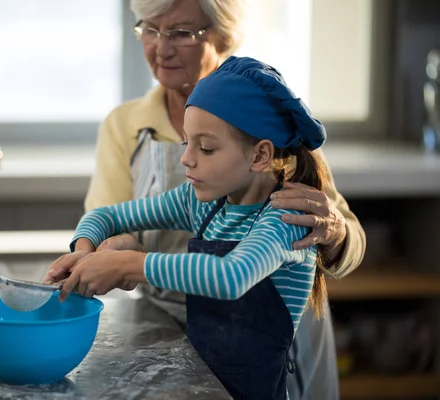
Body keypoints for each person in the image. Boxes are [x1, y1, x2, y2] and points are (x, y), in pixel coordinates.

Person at [71, 1, 365, 399]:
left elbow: (230, 277)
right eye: (150, 30)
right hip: (192, 341)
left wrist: (130, 263)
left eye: (180, 32)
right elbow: (107, 216)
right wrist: (88, 249)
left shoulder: (276, 154)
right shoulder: (193, 193)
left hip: (273, 365)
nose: (162, 48)